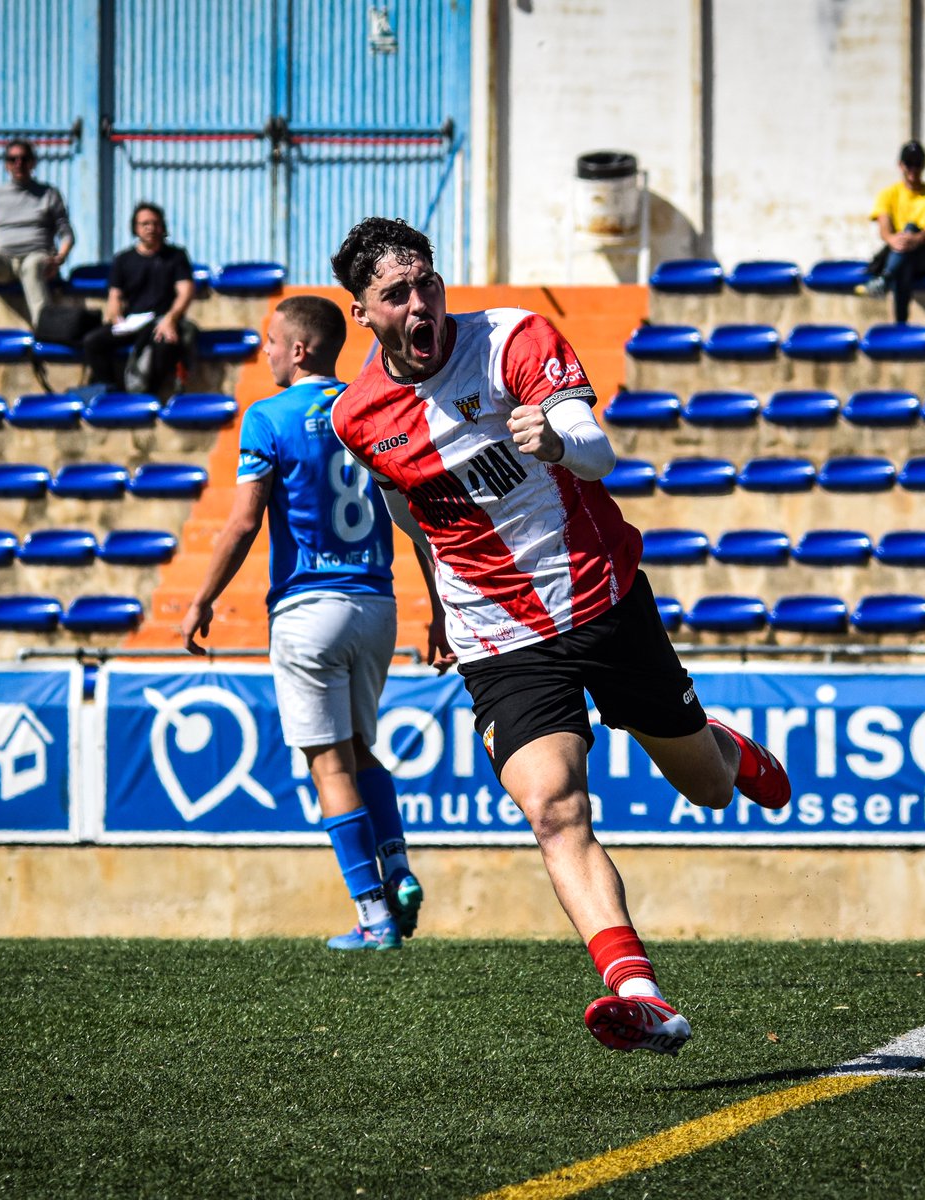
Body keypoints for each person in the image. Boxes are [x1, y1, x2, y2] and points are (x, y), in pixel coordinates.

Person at [329, 216, 792, 1056]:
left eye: (427, 283)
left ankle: (720, 745)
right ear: (363, 314)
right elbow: (408, 510)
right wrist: (437, 604)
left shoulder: (512, 338)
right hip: (496, 634)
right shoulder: (357, 416)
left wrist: (558, 440)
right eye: (396, 294)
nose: (420, 304)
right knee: (553, 807)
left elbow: (597, 448)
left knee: (707, 790)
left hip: (599, 597)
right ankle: (640, 994)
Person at [180, 294, 425, 951]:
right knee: (362, 749)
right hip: (376, 605)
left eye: (270, 340)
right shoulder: (370, 409)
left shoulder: (268, 416)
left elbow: (243, 521)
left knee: (328, 763)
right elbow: (415, 519)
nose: (264, 352)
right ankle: (398, 868)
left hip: (308, 607)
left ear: (298, 349)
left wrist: (202, 599)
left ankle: (373, 916)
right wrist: (438, 607)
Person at [0, 138, 74, 334]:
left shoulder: (49, 194)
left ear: (33, 162)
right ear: (6, 164)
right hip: (4, 262)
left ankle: (44, 327)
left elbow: (67, 235)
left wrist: (59, 259)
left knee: (31, 266)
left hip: (37, 257)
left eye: (24, 159)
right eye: (12, 159)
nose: (18, 164)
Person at [83, 202, 196, 390]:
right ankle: (110, 392)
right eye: (145, 224)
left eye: (155, 223)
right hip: (132, 323)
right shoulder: (123, 259)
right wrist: (115, 317)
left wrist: (171, 319)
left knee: (165, 344)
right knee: (92, 342)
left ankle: (149, 395)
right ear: (135, 228)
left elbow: (186, 291)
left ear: (162, 227)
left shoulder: (176, 256)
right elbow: (115, 296)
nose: (150, 228)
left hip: (161, 322)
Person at [857, 140, 925, 323]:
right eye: (909, 163)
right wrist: (894, 240)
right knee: (905, 262)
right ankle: (901, 324)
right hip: (902, 255)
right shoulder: (887, 194)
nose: (913, 169)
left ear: (924, 166)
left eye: (918, 164)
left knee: (910, 230)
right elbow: (884, 230)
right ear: (901, 165)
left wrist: (915, 238)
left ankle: (886, 279)